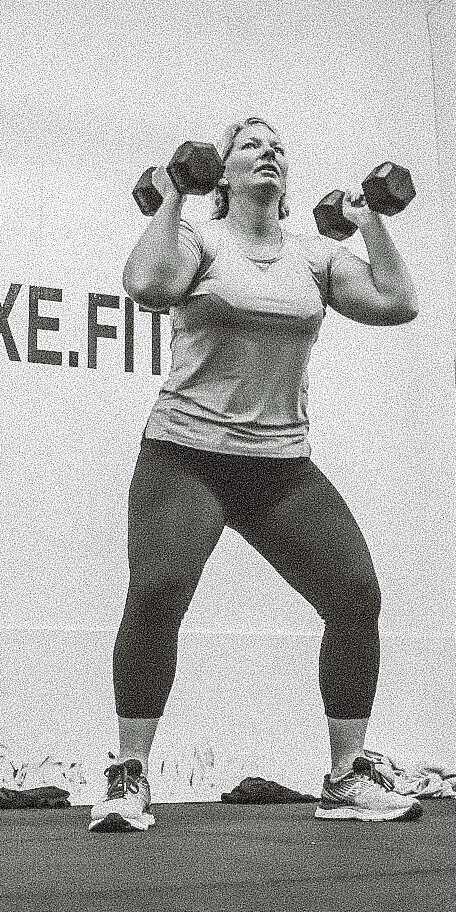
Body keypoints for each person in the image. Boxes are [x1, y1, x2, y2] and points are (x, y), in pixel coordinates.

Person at [89, 119, 422, 831]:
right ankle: (129, 772)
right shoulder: (199, 240)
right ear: (224, 172)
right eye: (251, 145)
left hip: (279, 465)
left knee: (355, 594)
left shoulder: (315, 256)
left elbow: (398, 304)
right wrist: (172, 197)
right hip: (187, 453)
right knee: (158, 591)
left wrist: (370, 223)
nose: (268, 152)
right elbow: (146, 284)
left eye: (277, 147)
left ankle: (346, 774)